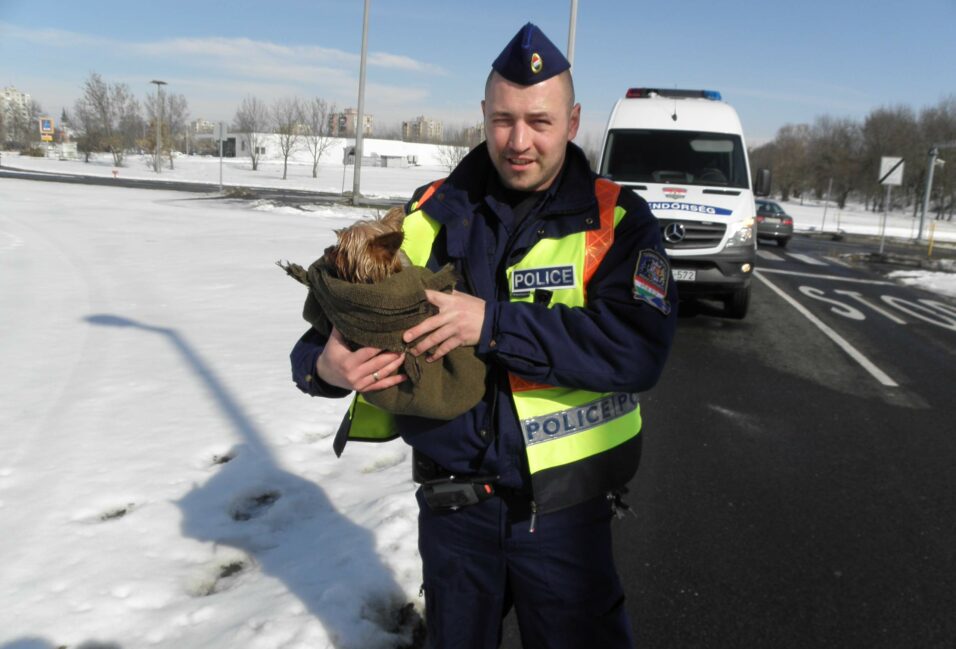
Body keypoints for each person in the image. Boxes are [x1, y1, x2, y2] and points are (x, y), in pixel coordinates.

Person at [290, 22, 677, 649]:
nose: (518, 141)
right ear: (482, 115)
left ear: (573, 121)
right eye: (503, 120)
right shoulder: (424, 214)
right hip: (453, 514)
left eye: (539, 121)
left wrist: (492, 325)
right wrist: (323, 368)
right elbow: (338, 321)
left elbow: (637, 348)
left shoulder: (617, 220)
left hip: (563, 518)